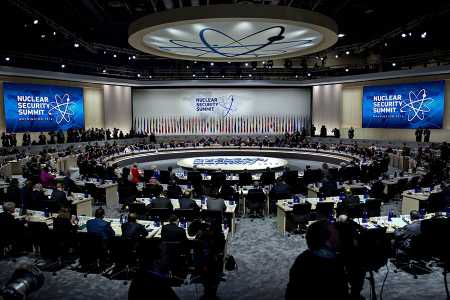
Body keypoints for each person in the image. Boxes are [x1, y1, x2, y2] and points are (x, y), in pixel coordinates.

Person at [286, 220, 348, 300]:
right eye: (335, 231)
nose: (338, 233)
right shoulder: (333, 266)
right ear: (328, 240)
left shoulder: (302, 257)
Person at [196, 221, 225, 300]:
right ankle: (211, 288)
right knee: (211, 275)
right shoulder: (219, 236)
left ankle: (208, 287)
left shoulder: (203, 235)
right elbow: (221, 248)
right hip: (212, 259)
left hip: (206, 259)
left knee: (207, 276)